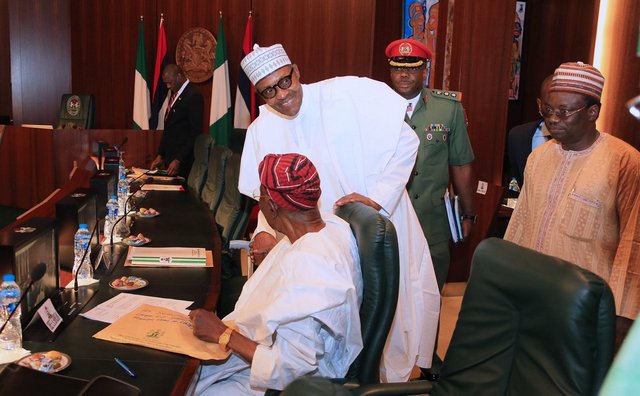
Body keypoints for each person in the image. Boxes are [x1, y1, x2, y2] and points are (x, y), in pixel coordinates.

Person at [238, 43, 440, 382]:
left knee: (391, 325)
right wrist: (263, 229)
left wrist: (376, 198)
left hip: (376, 226)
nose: (282, 95)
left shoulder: (347, 93)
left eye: (285, 82)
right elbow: (269, 193)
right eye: (268, 91)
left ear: (296, 71)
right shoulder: (263, 127)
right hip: (320, 246)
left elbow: (407, 144)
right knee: (329, 328)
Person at [190, 153, 363, 394]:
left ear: (271, 205)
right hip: (267, 352)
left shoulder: (311, 265)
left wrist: (223, 334)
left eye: (259, 197)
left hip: (296, 385)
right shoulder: (333, 227)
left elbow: (291, 369)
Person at [505, 61, 640, 345]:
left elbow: (633, 246)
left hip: (586, 308)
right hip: (532, 299)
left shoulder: (625, 162)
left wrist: (623, 318)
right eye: (548, 111)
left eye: (565, 111)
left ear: (593, 112)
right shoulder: (538, 158)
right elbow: (519, 226)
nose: (553, 119)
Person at [386, 38, 476, 291]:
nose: (404, 74)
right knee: (387, 305)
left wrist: (468, 213)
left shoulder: (448, 108)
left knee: (430, 300)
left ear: (425, 69)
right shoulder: (373, 106)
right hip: (387, 223)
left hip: (432, 224)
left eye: (412, 67)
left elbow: (461, 164)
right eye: (397, 67)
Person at [150, 64, 203, 177]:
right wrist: (160, 154)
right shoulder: (175, 94)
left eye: (170, 82)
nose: (168, 86)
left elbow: (195, 133)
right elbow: (169, 128)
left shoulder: (193, 95)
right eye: (166, 83)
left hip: (184, 163)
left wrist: (179, 159)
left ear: (179, 77)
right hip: (170, 160)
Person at [507, 75, 553, 188]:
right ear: (539, 105)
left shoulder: (588, 147)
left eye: (564, 109)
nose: (555, 117)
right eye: (549, 108)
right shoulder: (519, 137)